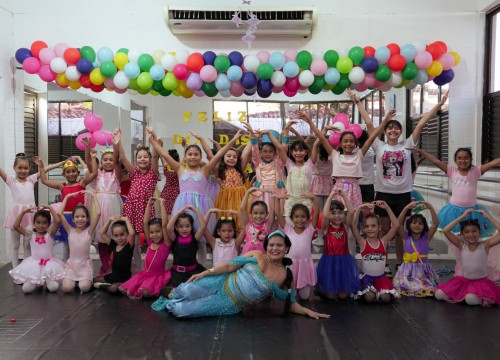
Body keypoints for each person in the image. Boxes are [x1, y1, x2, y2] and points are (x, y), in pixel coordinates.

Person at [151, 230, 330, 320]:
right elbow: (229, 265)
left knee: (182, 312)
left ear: (287, 248)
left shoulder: (285, 274)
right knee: (186, 292)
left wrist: (308, 312)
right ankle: (173, 293)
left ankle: (174, 301)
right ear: (266, 246)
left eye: (280, 245)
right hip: (221, 281)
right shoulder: (256, 255)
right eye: (272, 245)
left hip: (230, 303)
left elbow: (291, 303)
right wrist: (206, 272)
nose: (275, 248)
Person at [372, 91, 448, 269]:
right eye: (389, 128)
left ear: (400, 131)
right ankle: (381, 264)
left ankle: (400, 263)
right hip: (383, 193)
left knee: (400, 231)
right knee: (384, 230)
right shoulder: (378, 145)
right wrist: (385, 119)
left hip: (403, 194)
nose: (393, 130)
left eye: (396, 128)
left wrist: (438, 106)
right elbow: (369, 124)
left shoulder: (407, 144)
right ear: (384, 131)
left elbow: (421, 123)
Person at [148, 127, 242, 265]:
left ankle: (203, 267)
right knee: (183, 235)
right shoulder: (180, 168)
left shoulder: (205, 169)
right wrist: (152, 140)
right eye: (190, 154)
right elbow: (165, 155)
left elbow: (219, 154)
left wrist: (233, 140)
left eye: (196, 154)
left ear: (201, 157)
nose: (193, 157)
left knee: (202, 237)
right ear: (185, 157)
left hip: (201, 206)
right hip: (184, 206)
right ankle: (185, 263)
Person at [409, 146, 500, 237]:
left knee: (470, 236)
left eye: (466, 158)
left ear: (471, 159)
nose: (463, 161)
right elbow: (436, 161)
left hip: (472, 212)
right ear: (455, 160)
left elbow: (492, 163)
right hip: (453, 211)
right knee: (455, 236)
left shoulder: (476, 171)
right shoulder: (452, 171)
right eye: (459, 158)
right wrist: (420, 151)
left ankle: (467, 251)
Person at [34, 144, 98, 260]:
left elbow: (94, 174)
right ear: (63, 174)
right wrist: (41, 167)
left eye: (74, 171)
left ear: (78, 173)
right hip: (66, 219)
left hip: (79, 218)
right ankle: (66, 267)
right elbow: (44, 180)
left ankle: (83, 265)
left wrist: (93, 158)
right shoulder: (61, 186)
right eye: (68, 172)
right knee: (67, 245)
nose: (71, 174)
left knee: (82, 244)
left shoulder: (81, 183)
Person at [1, 153, 63, 267]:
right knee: (15, 245)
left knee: (28, 244)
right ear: (14, 168)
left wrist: (60, 163)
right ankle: (16, 270)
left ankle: (28, 268)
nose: (23, 171)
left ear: (29, 168)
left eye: (26, 168)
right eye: (20, 168)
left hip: (30, 215)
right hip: (17, 215)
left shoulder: (31, 179)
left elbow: (48, 168)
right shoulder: (11, 181)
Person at [113, 129, 160, 271]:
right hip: (132, 208)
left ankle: (151, 266)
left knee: (150, 238)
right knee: (134, 242)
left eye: (146, 157)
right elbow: (122, 158)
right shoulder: (134, 172)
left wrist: (153, 137)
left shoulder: (153, 173)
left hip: (145, 209)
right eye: (140, 157)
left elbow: (156, 155)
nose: (143, 159)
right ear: (136, 160)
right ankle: (137, 267)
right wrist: (118, 141)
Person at [435, 209, 500, 306]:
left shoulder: (485, 245)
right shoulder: (461, 245)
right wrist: (462, 216)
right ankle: (462, 295)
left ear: (479, 232)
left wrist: (488, 217)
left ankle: (480, 298)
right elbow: (445, 230)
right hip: (463, 282)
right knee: (438, 294)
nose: (471, 234)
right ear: (462, 234)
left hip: (480, 283)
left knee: (470, 299)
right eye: (467, 232)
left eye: (474, 231)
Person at [120, 198, 172, 298]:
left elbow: (165, 225)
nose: (154, 235)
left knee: (145, 293)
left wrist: (162, 205)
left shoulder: (166, 244)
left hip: (157, 277)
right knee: (133, 289)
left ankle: (157, 292)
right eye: (152, 232)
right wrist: (148, 205)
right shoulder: (150, 242)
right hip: (145, 275)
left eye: (157, 231)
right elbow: (145, 223)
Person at [351, 201, 400, 303]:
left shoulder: (384, 242)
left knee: (386, 299)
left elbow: (396, 225)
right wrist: (359, 207)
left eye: (373, 226)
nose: (370, 229)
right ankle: (372, 293)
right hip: (367, 279)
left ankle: (379, 293)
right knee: (369, 298)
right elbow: (353, 225)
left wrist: (387, 207)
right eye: (367, 226)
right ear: (363, 229)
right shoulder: (362, 242)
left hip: (381, 278)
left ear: (379, 227)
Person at [316, 189, 360, 299]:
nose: (337, 216)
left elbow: (351, 212)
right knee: (330, 295)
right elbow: (325, 215)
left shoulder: (345, 227)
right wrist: (330, 196)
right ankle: (325, 290)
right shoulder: (326, 228)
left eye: (340, 213)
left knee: (343, 296)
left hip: (343, 260)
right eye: (333, 213)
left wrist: (344, 195)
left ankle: (340, 288)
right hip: (329, 261)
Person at [9, 206, 64, 293]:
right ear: (34, 223)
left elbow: (58, 221)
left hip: (48, 264)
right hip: (34, 264)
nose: (41, 225)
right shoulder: (30, 235)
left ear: (49, 224)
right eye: (38, 222)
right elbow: (16, 226)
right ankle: (37, 281)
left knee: (53, 288)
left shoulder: (50, 234)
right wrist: (23, 212)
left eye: (44, 223)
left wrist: (50, 208)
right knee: (26, 289)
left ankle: (47, 279)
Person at [275, 194, 319, 300]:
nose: (300, 219)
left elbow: (317, 213)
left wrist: (313, 199)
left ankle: (302, 291)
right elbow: (277, 213)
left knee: (305, 297)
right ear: (291, 218)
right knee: (293, 297)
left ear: (308, 218)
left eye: (303, 217)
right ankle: (292, 291)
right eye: (297, 216)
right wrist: (277, 198)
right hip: (291, 265)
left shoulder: (309, 229)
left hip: (304, 265)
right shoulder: (287, 229)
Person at [392, 201, 440, 297]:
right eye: (414, 223)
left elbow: (435, 224)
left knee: (426, 286)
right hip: (407, 270)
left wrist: (431, 208)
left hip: (422, 270)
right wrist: (406, 208)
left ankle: (421, 288)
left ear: (424, 226)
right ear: (409, 225)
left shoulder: (426, 237)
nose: (417, 225)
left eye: (420, 224)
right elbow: (398, 223)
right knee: (403, 284)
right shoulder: (405, 237)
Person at [89, 145, 123, 277]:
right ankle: (105, 265)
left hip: (113, 206)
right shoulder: (98, 174)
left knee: (114, 236)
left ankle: (113, 263)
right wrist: (91, 155)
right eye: (105, 160)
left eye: (111, 159)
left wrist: (116, 149)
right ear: (101, 162)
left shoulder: (117, 174)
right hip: (100, 208)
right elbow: (91, 166)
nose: (108, 162)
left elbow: (117, 166)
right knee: (101, 238)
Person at [58, 191, 101, 294]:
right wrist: (67, 197)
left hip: (84, 265)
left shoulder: (89, 231)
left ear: (87, 218)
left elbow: (99, 213)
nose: (80, 219)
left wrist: (94, 196)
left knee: (85, 288)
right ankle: (74, 281)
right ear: (73, 219)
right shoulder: (70, 230)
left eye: (83, 216)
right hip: (72, 266)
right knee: (66, 289)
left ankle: (85, 281)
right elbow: (60, 213)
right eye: (77, 217)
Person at [163, 205, 207, 288]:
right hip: (177, 274)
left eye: (187, 226)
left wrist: (196, 210)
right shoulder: (174, 238)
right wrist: (178, 213)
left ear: (191, 226)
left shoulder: (195, 238)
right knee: (172, 292)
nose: (184, 229)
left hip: (193, 272)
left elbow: (203, 227)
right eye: (181, 226)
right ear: (176, 227)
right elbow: (168, 228)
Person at [93, 215, 135, 294]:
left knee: (113, 289)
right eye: (116, 236)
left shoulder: (129, 246)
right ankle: (103, 283)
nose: (119, 238)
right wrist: (109, 220)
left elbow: (132, 233)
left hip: (124, 279)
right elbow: (102, 232)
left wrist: (126, 220)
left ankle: (102, 286)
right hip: (113, 276)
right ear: (113, 236)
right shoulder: (114, 245)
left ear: (127, 234)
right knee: (94, 280)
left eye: (122, 234)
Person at [240, 187, 275, 254]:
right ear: (250, 214)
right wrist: (248, 192)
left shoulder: (268, 224)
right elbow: (242, 208)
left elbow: (273, 209)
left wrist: (272, 193)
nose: (258, 216)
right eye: (255, 213)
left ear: (267, 214)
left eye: (262, 213)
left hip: (263, 256)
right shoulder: (247, 224)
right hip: (249, 256)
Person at [160, 148, 180, 217]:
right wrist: (185, 145)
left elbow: (162, 155)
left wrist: (159, 145)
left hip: (166, 192)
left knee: (166, 215)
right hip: (177, 193)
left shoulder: (166, 166)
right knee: (177, 214)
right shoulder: (179, 167)